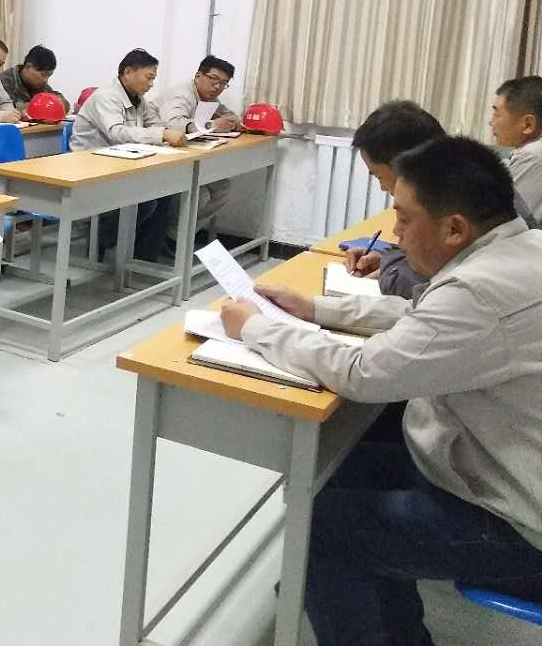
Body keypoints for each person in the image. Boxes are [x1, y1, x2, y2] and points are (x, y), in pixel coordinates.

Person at [220, 136, 542, 646]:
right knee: (328, 475)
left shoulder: (478, 290)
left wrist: (257, 330)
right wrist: (316, 309)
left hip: (516, 523)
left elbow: (362, 373)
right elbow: (424, 316)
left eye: (405, 219)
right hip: (485, 466)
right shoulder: (520, 251)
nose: (395, 234)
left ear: (454, 227)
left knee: (321, 528)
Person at [70, 48, 185, 261]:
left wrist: (168, 132)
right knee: (146, 199)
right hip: (91, 166)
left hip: (121, 163)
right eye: (149, 77)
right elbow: (117, 132)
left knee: (165, 191)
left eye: (153, 78)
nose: (151, 84)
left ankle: (143, 257)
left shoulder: (139, 99)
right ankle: (100, 239)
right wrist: (161, 134)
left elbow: (155, 124)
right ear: (128, 72)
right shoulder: (106, 97)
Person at [349, 101, 445, 300]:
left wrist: (389, 264)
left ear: (404, 166)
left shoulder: (442, 207)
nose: (383, 188)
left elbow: (402, 284)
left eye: (379, 176)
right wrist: (387, 260)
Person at [156, 55, 240, 237]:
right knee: (196, 192)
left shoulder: (210, 99)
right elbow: (173, 124)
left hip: (185, 156)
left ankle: (177, 236)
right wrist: (212, 125)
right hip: (160, 157)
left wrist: (233, 123)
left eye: (224, 83)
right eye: (213, 79)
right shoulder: (182, 95)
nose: (217, 86)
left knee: (222, 189)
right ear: (198, 76)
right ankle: (174, 237)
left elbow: (232, 117)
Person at [490, 76, 542, 224]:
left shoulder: (533, 155)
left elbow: (504, 219)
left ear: (527, 124)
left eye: (497, 114)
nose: (491, 122)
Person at [0, 45, 67, 114]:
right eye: (43, 74)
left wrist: (58, 102)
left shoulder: (41, 84)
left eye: (49, 76)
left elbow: (63, 102)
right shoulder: (4, 81)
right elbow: (6, 108)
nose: (45, 80)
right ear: (28, 67)